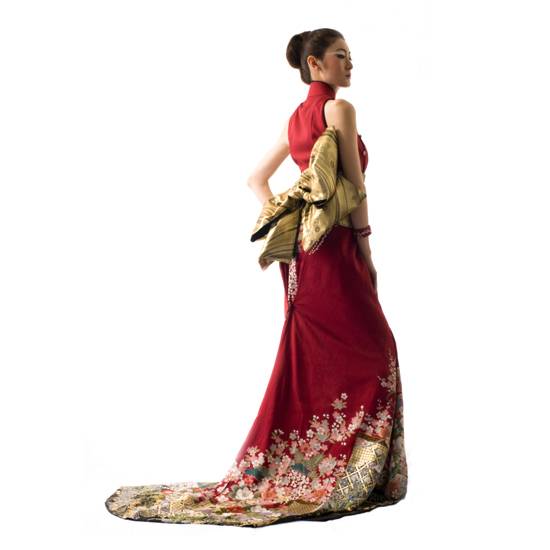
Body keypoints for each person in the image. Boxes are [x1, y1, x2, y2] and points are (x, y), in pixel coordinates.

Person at [104, 28, 408, 528]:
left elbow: (256, 179)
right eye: (340, 56)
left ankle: (331, 465)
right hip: (334, 252)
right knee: (376, 350)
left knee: (314, 355)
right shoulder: (339, 110)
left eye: (351, 55)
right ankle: (346, 472)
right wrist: (365, 246)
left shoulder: (296, 120)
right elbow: (355, 186)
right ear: (315, 65)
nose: (350, 63)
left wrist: (289, 219)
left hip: (302, 259)